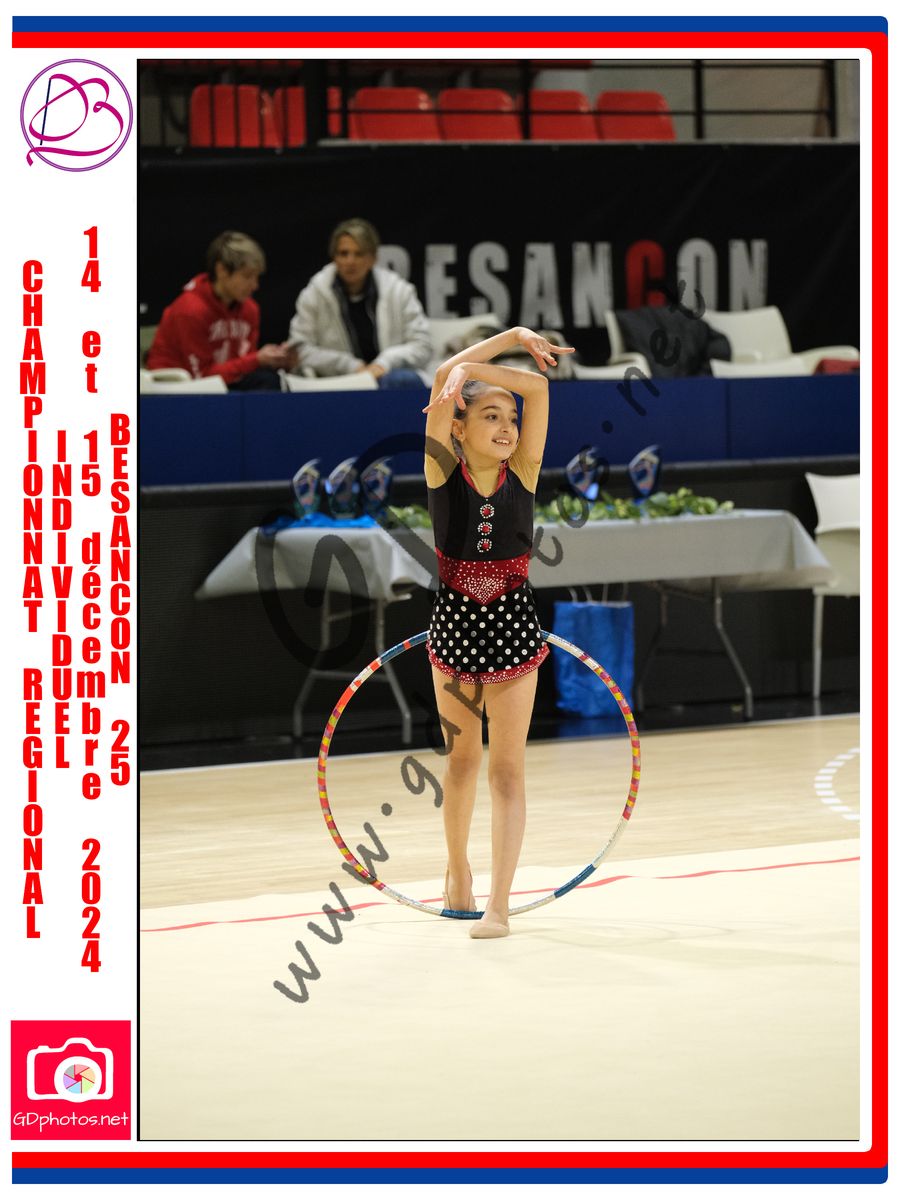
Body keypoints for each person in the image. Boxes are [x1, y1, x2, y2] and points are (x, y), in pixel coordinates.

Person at [422, 326, 574, 938]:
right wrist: (460, 373)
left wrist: (505, 346)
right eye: (490, 415)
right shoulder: (440, 470)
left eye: (510, 418)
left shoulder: (526, 470)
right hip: (454, 626)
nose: (507, 426)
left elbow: (537, 387)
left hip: (513, 625)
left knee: (506, 769)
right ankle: (457, 870)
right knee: (461, 762)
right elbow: (442, 381)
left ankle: (500, 904)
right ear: (458, 428)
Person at [288, 218, 431, 387]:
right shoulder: (315, 293)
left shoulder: (399, 291)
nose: (350, 261)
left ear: (373, 258)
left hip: (388, 376)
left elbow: (422, 346)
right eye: (344, 253)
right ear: (334, 257)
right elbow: (300, 350)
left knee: (401, 380)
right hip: (339, 379)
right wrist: (350, 366)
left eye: (359, 254)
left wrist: (384, 363)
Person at [147, 231, 295, 390]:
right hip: (173, 387)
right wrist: (256, 359)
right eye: (247, 276)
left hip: (222, 382)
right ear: (221, 270)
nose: (255, 285)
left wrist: (276, 360)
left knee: (271, 380)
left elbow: (244, 366)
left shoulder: (249, 309)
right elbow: (202, 377)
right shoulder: (190, 311)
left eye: (256, 277)